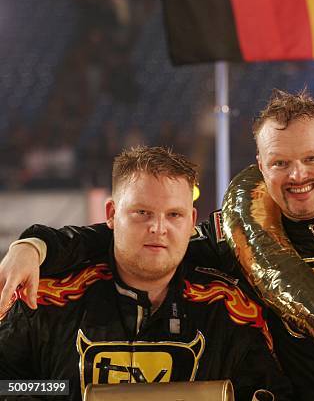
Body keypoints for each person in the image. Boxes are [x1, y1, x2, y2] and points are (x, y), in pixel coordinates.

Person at [0, 90, 314, 400]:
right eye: (280, 162)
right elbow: (141, 249)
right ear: (260, 165)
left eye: (311, 158)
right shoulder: (232, 238)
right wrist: (36, 244)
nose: (297, 175)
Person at [0, 146, 292, 401]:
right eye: (142, 213)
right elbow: (8, 384)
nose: (158, 228)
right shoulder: (47, 297)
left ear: (192, 221)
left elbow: (268, 392)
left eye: (174, 214)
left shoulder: (229, 308)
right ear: (112, 214)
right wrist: (64, 393)